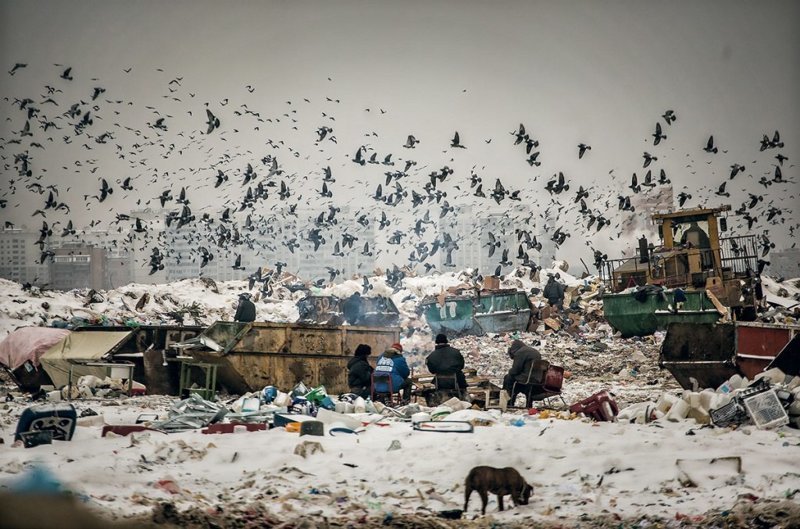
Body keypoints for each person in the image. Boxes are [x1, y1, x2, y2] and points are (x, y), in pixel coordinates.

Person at [503, 339, 544, 403]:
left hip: (526, 378)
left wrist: (510, 372)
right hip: (537, 379)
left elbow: (515, 370)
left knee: (507, 378)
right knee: (514, 381)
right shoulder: (535, 351)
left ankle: (508, 401)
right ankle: (528, 403)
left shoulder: (520, 352)